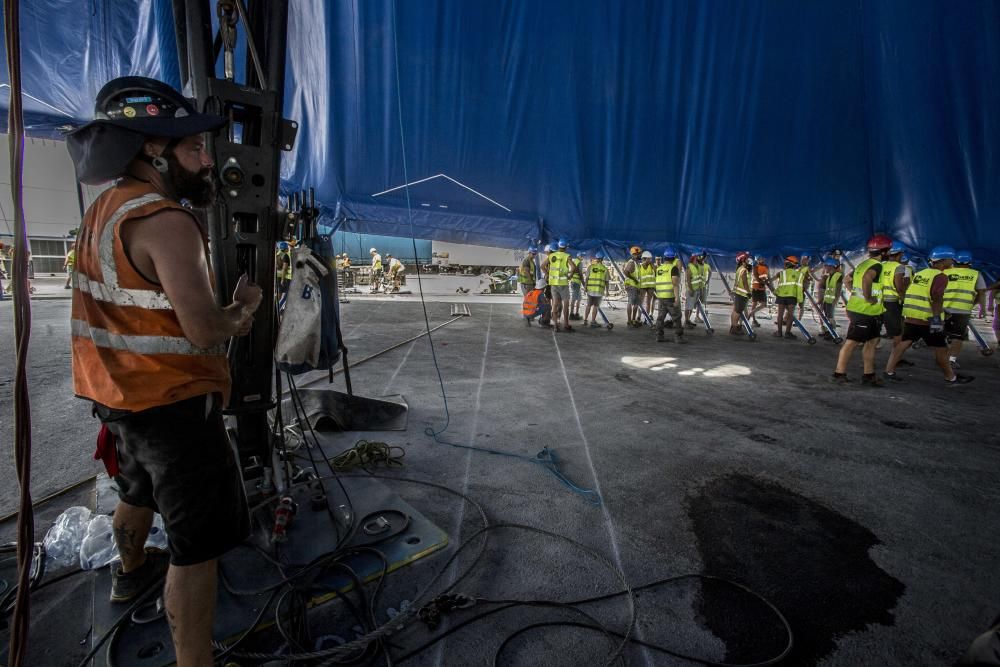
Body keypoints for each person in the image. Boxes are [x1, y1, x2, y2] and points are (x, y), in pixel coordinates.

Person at [65, 76, 261, 666]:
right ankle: (194, 660)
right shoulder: (168, 222)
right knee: (196, 546)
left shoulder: (104, 208)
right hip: (173, 403)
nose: (208, 161)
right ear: (154, 150)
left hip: (118, 396)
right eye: (194, 150)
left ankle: (129, 571)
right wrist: (243, 311)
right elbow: (204, 329)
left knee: (136, 490)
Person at [884, 246, 973, 385]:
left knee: (904, 342)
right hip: (927, 318)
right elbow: (936, 298)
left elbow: (921, 293)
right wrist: (937, 320)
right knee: (941, 348)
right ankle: (951, 377)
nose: (952, 262)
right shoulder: (940, 276)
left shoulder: (922, 273)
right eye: (951, 259)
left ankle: (888, 371)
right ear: (943, 261)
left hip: (912, 315)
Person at [832, 234, 891, 385]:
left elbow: (847, 280)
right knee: (851, 342)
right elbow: (866, 279)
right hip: (863, 311)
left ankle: (869, 374)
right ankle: (839, 374)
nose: (890, 253)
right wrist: (868, 297)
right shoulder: (876, 266)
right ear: (883, 252)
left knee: (871, 342)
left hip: (869, 311)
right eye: (889, 250)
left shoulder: (862, 264)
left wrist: (855, 293)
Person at [943, 250, 987, 368]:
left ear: (955, 261)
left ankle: (942, 357)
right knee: (957, 336)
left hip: (944, 309)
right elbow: (981, 292)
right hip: (963, 310)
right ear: (970, 262)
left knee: (942, 333)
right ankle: (951, 360)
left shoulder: (946, 272)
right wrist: (982, 309)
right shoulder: (976, 274)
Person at [880, 241, 911, 353]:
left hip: (879, 301)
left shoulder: (881, 265)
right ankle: (896, 359)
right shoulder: (899, 267)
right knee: (897, 333)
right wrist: (904, 299)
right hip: (892, 303)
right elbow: (899, 286)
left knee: (875, 332)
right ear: (900, 254)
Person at [541, 239, 575, 332]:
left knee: (554, 304)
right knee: (566, 304)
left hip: (553, 284)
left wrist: (548, 274)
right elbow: (573, 267)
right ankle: (566, 325)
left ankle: (556, 325)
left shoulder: (551, 256)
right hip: (563, 284)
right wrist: (570, 276)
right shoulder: (567, 256)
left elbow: (542, 266)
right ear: (566, 247)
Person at [654, 247, 685, 343]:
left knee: (660, 317)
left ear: (664, 258)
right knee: (677, 317)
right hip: (670, 296)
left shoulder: (659, 268)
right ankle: (678, 337)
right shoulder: (673, 268)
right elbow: (675, 283)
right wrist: (677, 298)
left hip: (660, 297)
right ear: (674, 258)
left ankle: (659, 336)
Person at [772, 256, 801, 338]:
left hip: (781, 296)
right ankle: (787, 333)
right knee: (790, 315)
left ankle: (779, 332)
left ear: (787, 264)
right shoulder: (799, 274)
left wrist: (775, 292)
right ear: (794, 265)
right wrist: (800, 300)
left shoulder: (781, 273)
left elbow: (779, 286)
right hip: (792, 296)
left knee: (780, 315)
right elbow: (799, 288)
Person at [820, 256, 845, 338]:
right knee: (827, 317)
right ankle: (828, 331)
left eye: (825, 266)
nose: (824, 268)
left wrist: (835, 301)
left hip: (832, 301)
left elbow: (838, 290)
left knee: (830, 317)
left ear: (831, 266)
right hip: (827, 300)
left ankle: (833, 333)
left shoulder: (838, 275)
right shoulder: (829, 277)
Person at [584, 252, 609, 328]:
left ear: (596, 259)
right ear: (602, 259)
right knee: (596, 306)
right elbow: (606, 281)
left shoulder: (590, 267)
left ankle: (585, 320)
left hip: (590, 290)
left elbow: (587, 278)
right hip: (599, 291)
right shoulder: (605, 269)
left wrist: (585, 287)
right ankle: (593, 321)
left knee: (588, 305)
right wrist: (607, 291)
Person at [729, 251, 752, 335]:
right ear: (743, 260)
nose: (748, 260)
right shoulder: (744, 270)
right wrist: (749, 292)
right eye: (747, 259)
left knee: (735, 311)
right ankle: (734, 329)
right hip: (742, 294)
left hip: (738, 293)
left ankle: (733, 327)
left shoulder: (739, 269)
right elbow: (745, 282)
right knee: (737, 312)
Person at [684, 251, 709, 328]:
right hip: (691, 290)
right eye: (697, 257)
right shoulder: (689, 267)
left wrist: (704, 256)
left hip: (697, 290)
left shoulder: (697, 265)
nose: (699, 258)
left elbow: (701, 261)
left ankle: (688, 320)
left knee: (691, 307)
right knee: (688, 307)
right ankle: (686, 321)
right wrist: (691, 289)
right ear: (694, 258)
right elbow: (688, 280)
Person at [623, 246, 643, 327]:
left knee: (636, 304)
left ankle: (633, 320)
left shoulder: (637, 263)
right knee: (631, 303)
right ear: (634, 254)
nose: (640, 255)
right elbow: (626, 272)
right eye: (639, 254)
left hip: (636, 286)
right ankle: (629, 320)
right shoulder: (631, 262)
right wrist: (634, 280)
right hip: (632, 286)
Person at [749, 256, 769, 327]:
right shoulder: (755, 267)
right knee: (754, 304)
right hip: (756, 288)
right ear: (757, 260)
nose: (762, 259)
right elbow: (756, 276)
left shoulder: (766, 267)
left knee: (763, 304)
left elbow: (766, 277)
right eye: (760, 259)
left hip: (762, 288)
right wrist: (762, 282)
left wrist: (766, 282)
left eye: (763, 258)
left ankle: (751, 314)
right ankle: (753, 320)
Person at [637, 250, 656, 320]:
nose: (651, 260)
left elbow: (656, 271)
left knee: (648, 302)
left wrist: (651, 264)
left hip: (651, 287)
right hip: (642, 287)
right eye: (649, 258)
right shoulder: (639, 266)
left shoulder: (651, 265)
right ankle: (639, 316)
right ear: (644, 259)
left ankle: (647, 317)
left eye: (651, 258)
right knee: (640, 302)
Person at [569, 251, 586, 320]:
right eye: (582, 256)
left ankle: (576, 313)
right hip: (576, 283)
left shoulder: (575, 261)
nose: (583, 257)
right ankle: (571, 314)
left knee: (579, 298)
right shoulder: (579, 263)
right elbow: (580, 274)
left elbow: (575, 271)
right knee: (574, 298)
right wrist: (584, 284)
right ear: (579, 256)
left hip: (575, 282)